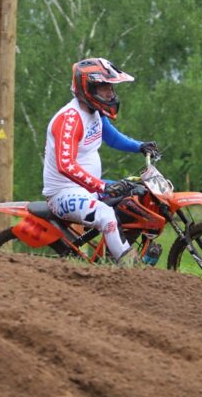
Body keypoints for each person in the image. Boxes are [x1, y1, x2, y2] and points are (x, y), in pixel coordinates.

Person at [42, 57, 159, 265]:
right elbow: (65, 165)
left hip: (89, 189)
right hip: (63, 194)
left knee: (136, 197)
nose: (110, 94)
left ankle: (114, 257)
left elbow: (112, 138)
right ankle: (131, 270)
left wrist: (140, 146)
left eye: (111, 88)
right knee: (106, 215)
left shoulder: (94, 112)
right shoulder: (69, 120)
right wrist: (103, 186)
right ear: (88, 88)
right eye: (104, 88)